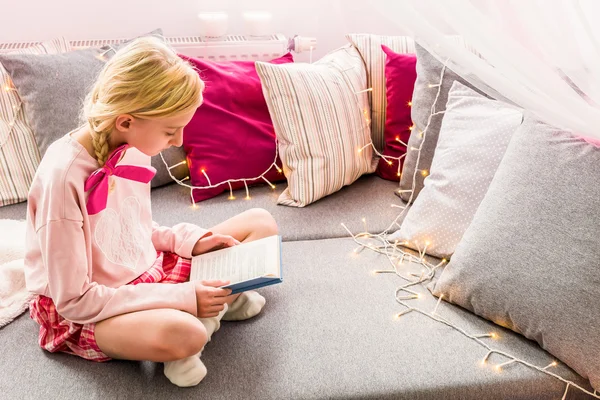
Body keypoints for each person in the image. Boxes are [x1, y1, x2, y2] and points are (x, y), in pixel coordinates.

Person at [23, 36, 278, 387]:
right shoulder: (63, 178)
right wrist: (185, 297)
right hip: (89, 306)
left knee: (260, 223)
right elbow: (75, 301)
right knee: (184, 333)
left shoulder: (130, 144)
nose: (178, 141)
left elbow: (133, 230)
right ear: (126, 121)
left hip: (145, 271)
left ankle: (210, 311)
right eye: (171, 130)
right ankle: (210, 314)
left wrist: (192, 241)